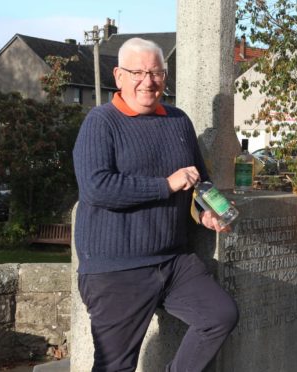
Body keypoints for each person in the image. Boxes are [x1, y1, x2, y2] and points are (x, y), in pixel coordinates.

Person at [73, 37, 239, 372]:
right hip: (117, 267)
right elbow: (96, 188)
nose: (148, 81)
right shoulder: (101, 122)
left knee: (219, 315)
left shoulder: (178, 120)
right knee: (115, 365)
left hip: (173, 262)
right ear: (118, 76)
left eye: (156, 73)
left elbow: (198, 185)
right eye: (138, 72)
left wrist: (206, 215)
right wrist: (165, 184)